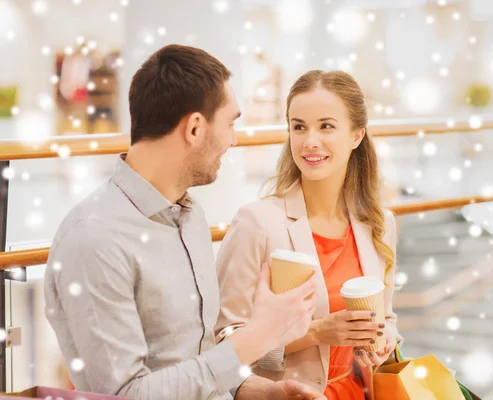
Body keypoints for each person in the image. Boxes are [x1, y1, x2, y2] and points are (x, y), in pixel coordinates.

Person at [44, 44, 326, 400]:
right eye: (230, 123)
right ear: (195, 128)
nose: (233, 140)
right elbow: (125, 395)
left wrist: (257, 391)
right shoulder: (94, 240)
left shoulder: (190, 217)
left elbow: (196, 359)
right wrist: (255, 338)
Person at [215, 70, 402, 400]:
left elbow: (385, 317)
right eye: (298, 126)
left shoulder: (379, 223)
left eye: (326, 126)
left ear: (357, 134)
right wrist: (315, 333)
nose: (309, 141)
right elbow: (222, 343)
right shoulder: (257, 223)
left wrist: (384, 340)